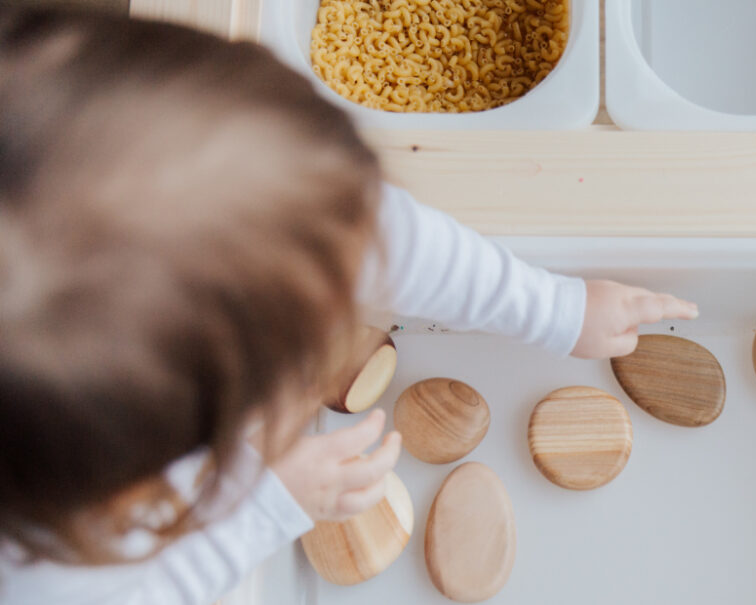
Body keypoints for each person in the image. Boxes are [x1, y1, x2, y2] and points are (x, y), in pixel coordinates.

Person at [0, 8, 698, 605]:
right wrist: (265, 505)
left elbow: (369, 235)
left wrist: (553, 308)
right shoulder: (47, 569)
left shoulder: (209, 185)